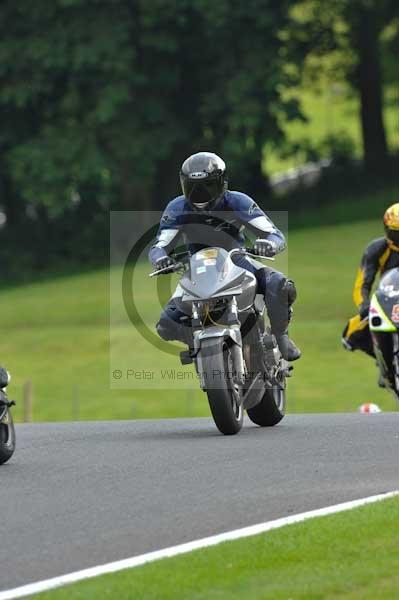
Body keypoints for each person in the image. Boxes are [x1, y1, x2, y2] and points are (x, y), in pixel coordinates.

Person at [149, 151, 301, 361]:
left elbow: (274, 234)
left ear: (222, 183)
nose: (200, 194)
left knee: (280, 285)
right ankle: (200, 346)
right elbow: (160, 245)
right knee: (166, 324)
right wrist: (159, 259)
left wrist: (269, 245)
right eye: (193, 188)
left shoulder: (238, 201)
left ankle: (280, 335)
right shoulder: (177, 208)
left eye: (207, 186)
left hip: (237, 260)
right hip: (197, 269)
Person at [342, 202, 399, 357]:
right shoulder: (377, 249)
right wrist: (364, 305)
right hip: (388, 300)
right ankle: (382, 358)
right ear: (387, 230)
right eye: (396, 233)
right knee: (350, 333)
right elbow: (362, 283)